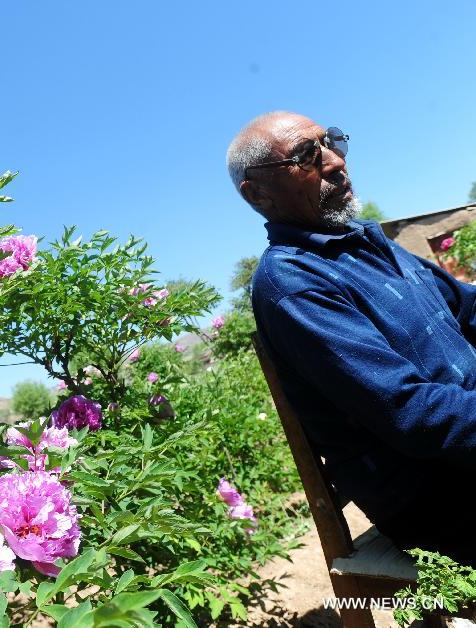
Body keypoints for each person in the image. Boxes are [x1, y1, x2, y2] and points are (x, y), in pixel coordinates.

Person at [228, 111, 476, 564]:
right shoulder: (294, 282)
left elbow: (467, 306)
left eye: (332, 142)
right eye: (306, 155)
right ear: (258, 193)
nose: (335, 161)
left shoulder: (364, 241)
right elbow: (412, 414)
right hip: (439, 493)